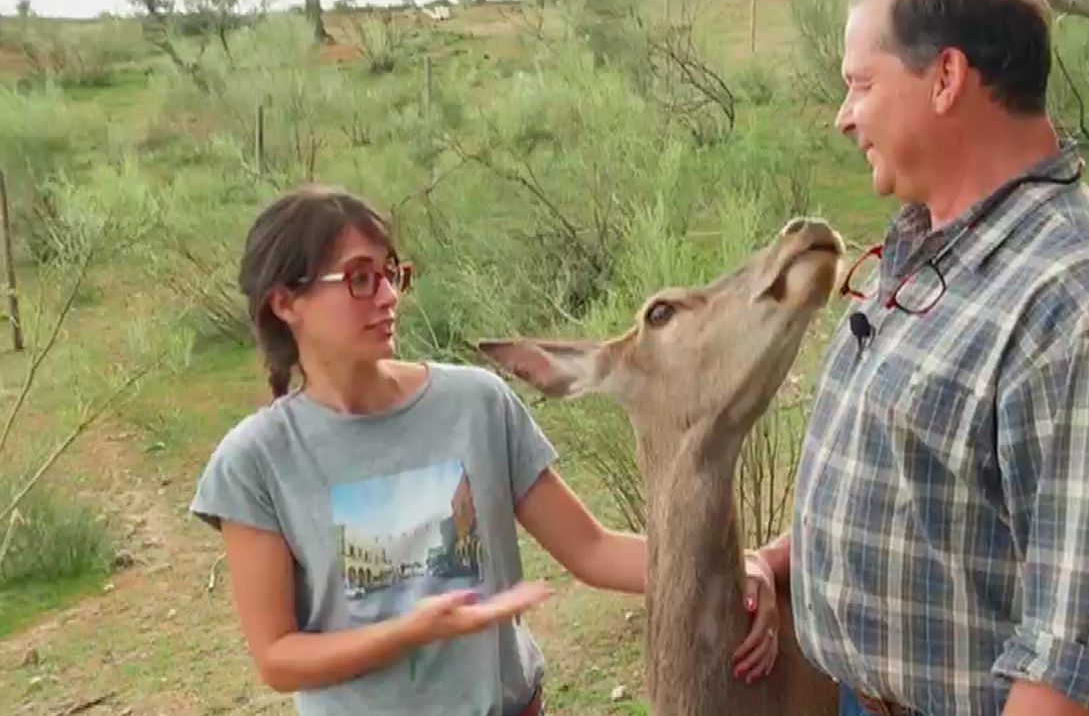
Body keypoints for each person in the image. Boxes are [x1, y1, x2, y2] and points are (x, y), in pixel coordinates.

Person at [752, 0, 1089, 715]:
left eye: (859, 84)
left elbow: (1072, 670)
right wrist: (783, 559)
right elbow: (928, 483)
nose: (844, 116)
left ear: (945, 77)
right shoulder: (931, 246)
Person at [188, 185, 781, 715]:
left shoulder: (476, 402)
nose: (388, 294)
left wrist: (737, 569)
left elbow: (592, 549)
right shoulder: (255, 462)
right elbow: (278, 657)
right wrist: (412, 630)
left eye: (393, 273)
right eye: (360, 278)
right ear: (285, 303)